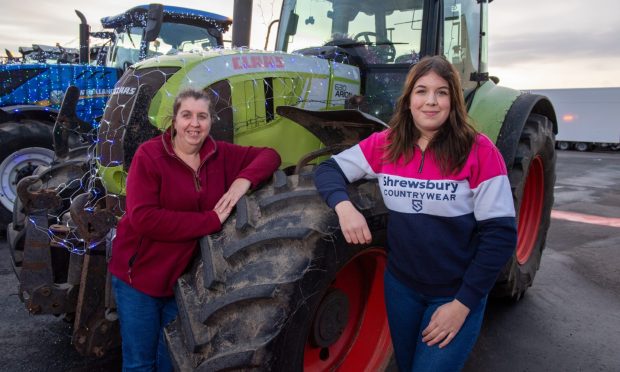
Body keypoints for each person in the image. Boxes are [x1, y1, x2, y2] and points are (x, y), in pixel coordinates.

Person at [313, 55, 517, 371]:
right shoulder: (386, 144)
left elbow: (500, 235)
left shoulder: (479, 151)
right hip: (401, 289)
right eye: (422, 91)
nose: (431, 101)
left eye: (442, 92)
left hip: (455, 294)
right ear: (409, 100)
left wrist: (462, 305)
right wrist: (344, 207)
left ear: (454, 101)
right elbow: (328, 169)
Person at [108, 88, 281, 371]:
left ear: (211, 122)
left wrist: (243, 180)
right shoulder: (150, 155)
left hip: (182, 283)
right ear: (174, 120)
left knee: (173, 361)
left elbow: (270, 155)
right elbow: (144, 218)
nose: (194, 124)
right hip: (139, 279)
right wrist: (210, 220)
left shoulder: (219, 153)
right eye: (186, 115)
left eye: (202, 116)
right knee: (140, 363)